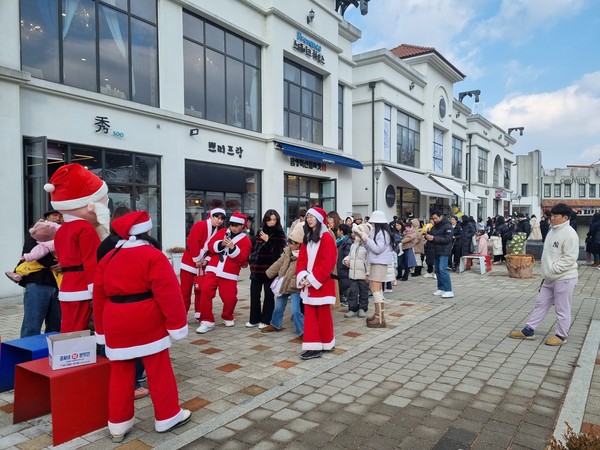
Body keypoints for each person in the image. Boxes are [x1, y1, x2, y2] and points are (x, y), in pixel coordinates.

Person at [93, 211, 191, 442]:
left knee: (119, 373)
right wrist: (176, 324)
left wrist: (101, 331)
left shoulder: (108, 257)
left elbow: (98, 296)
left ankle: (118, 423)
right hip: (146, 318)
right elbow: (169, 294)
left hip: (115, 319)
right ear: (146, 230)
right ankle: (167, 416)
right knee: (158, 370)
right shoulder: (154, 256)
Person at [44, 163, 110, 332]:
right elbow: (90, 261)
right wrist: (96, 289)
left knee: (68, 326)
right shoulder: (85, 228)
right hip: (82, 285)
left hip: (67, 284)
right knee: (80, 329)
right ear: (90, 204)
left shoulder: (61, 230)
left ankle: (64, 354)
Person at [96, 206, 148, 401]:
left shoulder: (106, 245)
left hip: (111, 304)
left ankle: (106, 378)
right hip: (137, 302)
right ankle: (133, 383)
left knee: (111, 344)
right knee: (139, 344)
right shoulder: (136, 246)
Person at [509, 203, 579, 346]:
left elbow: (570, 258)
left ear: (565, 217)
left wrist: (553, 269)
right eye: (551, 215)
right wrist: (547, 272)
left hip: (564, 277)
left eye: (555, 215)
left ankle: (561, 335)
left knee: (562, 308)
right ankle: (529, 330)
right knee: (541, 304)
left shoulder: (570, 234)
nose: (551, 218)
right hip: (549, 278)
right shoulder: (552, 230)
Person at [197, 212, 252, 333]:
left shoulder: (246, 241)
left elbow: (242, 259)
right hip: (213, 268)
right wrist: (221, 244)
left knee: (230, 298)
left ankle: (227, 316)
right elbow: (210, 246)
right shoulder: (221, 233)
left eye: (237, 225)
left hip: (229, 272)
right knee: (205, 292)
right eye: (232, 224)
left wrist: (233, 248)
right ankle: (206, 321)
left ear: (242, 226)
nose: (234, 227)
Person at [13, 209, 63, 338]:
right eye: (54, 215)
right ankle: (26, 356)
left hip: (58, 285)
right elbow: (31, 251)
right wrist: (55, 264)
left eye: (60, 215)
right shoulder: (38, 230)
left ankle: (49, 355)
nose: (58, 218)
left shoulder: (64, 233)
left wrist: (65, 266)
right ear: (47, 217)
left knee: (55, 326)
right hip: (37, 283)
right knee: (32, 326)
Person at [296, 207, 337, 360]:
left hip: (321, 284)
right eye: (308, 217)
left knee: (324, 315)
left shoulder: (326, 237)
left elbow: (328, 263)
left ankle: (326, 343)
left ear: (319, 219)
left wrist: (312, 279)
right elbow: (301, 260)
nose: (309, 219)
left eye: (312, 217)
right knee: (311, 316)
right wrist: (302, 276)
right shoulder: (307, 236)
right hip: (309, 283)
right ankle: (314, 347)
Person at [180, 208, 226, 320]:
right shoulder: (200, 225)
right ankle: (181, 315)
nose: (219, 221)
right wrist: (197, 260)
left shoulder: (217, 230)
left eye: (222, 219)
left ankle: (199, 313)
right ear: (211, 216)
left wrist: (207, 259)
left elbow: (213, 248)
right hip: (189, 262)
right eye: (217, 217)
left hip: (202, 264)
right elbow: (192, 242)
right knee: (185, 292)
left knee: (199, 289)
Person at [261, 221, 304, 336]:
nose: (290, 244)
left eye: (292, 242)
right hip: (283, 282)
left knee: (295, 311)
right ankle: (275, 324)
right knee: (278, 307)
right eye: (289, 241)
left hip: (295, 286)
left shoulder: (305, 255)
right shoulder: (287, 251)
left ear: (299, 244)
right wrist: (268, 273)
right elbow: (279, 263)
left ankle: (302, 331)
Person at [355, 211, 395, 328]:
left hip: (379, 263)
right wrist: (364, 239)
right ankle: (378, 315)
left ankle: (380, 318)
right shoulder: (380, 232)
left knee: (375, 289)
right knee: (375, 289)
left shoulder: (382, 233)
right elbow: (371, 248)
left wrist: (366, 238)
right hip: (376, 262)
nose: (371, 224)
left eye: (373, 222)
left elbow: (377, 249)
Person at [247, 210, 286, 328]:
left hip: (270, 269)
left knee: (269, 295)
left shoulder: (279, 233)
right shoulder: (260, 231)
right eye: (269, 220)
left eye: (274, 220)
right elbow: (253, 247)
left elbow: (278, 253)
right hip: (256, 269)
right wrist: (251, 260)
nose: (272, 222)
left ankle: (266, 319)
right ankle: (254, 319)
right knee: (254, 294)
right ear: (265, 220)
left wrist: (268, 241)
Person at [5, 219, 61, 284]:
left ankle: (18, 274)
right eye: (54, 215)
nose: (57, 218)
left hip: (56, 260)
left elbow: (37, 253)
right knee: (60, 276)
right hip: (62, 259)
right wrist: (46, 223)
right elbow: (56, 225)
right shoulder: (62, 231)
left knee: (31, 264)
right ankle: (63, 288)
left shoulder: (46, 244)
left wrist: (27, 257)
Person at [425, 210, 454, 298]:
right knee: (437, 270)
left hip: (444, 251)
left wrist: (434, 238)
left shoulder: (448, 226)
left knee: (443, 270)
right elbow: (432, 235)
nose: (434, 220)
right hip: (435, 250)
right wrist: (427, 236)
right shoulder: (435, 226)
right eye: (433, 218)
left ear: (441, 216)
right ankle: (441, 288)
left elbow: (448, 239)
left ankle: (448, 290)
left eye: (436, 218)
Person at [343, 223, 370, 318]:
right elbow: (350, 255)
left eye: (356, 233)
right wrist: (346, 260)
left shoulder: (367, 246)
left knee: (363, 292)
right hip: (353, 274)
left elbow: (369, 261)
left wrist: (368, 274)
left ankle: (362, 308)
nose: (354, 235)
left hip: (363, 274)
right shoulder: (353, 245)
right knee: (352, 292)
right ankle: (353, 309)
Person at [336, 224, 352, 305]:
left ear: (341, 231)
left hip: (343, 266)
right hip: (340, 266)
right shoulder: (340, 241)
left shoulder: (347, 242)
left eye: (338, 230)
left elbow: (346, 255)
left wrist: (343, 264)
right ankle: (344, 298)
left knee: (345, 283)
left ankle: (346, 299)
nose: (337, 232)